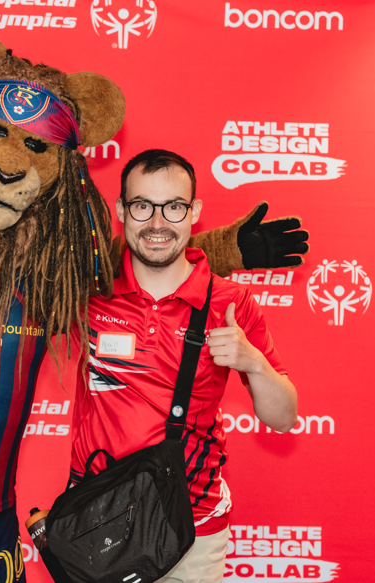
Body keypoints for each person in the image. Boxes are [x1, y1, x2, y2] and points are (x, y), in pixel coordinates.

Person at [69, 149, 298, 583]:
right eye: (142, 206)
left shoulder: (231, 302)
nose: (157, 223)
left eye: (173, 207)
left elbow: (283, 418)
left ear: (194, 212)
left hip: (193, 529)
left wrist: (253, 363)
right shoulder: (88, 291)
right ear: (121, 211)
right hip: (97, 522)